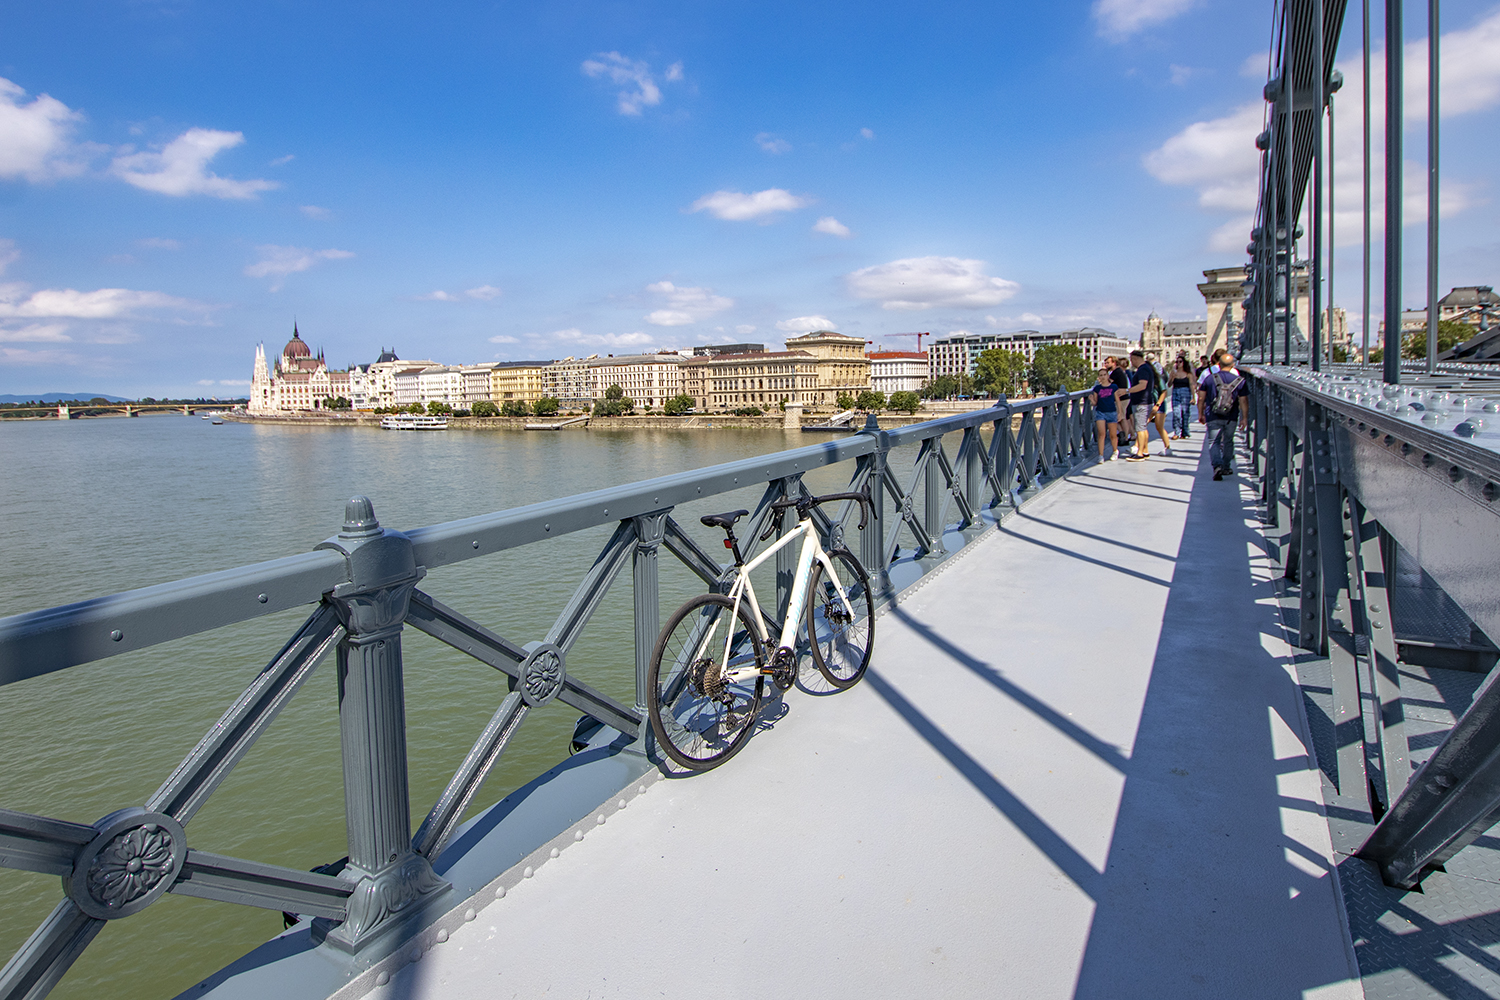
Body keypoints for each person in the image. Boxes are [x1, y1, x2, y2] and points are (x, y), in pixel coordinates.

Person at [1198, 352, 1248, 480]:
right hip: (1231, 416)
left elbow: (1201, 398)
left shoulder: (1209, 379)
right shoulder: (1239, 381)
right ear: (1233, 365)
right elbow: (1243, 401)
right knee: (1228, 441)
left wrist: (1201, 414)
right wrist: (1244, 418)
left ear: (1218, 365)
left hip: (1213, 415)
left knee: (1213, 442)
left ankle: (1217, 466)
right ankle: (1226, 466)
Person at [1124, 350, 1157, 461]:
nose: (1131, 362)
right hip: (1145, 402)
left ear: (1135, 359)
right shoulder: (1147, 368)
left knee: (1140, 429)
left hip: (1141, 402)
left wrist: (1127, 391)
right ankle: (1145, 450)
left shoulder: (1142, 370)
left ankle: (1140, 453)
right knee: (1143, 428)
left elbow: (1142, 385)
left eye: (1131, 359)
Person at [1089, 367, 1122, 461]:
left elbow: (1117, 401)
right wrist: (1092, 400)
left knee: (1112, 435)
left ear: (1108, 376)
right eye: (1101, 375)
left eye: (1104, 375)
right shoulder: (1097, 388)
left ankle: (1115, 451)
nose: (1103, 377)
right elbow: (1095, 403)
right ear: (1099, 377)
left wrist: (1120, 413)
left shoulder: (1113, 387)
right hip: (1100, 412)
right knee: (1101, 434)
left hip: (1111, 412)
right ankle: (1100, 455)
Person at [1104, 355, 1133, 451]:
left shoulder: (1116, 372)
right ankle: (1124, 435)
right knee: (1121, 417)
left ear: (1114, 363)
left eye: (1108, 363)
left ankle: (1123, 436)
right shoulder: (1118, 371)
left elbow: (1107, 383)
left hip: (1121, 398)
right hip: (1123, 397)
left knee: (1120, 417)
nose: (1106, 364)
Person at [1170, 355, 1195, 438]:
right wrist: (1172, 378)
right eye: (1177, 362)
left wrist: (1193, 397)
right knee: (1176, 413)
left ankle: (1185, 431)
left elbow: (1191, 385)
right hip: (1176, 392)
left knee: (1185, 413)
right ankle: (1176, 432)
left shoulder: (1188, 374)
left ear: (1184, 363)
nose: (1178, 363)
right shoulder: (1173, 373)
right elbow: (1169, 384)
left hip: (1186, 393)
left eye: (1180, 361)